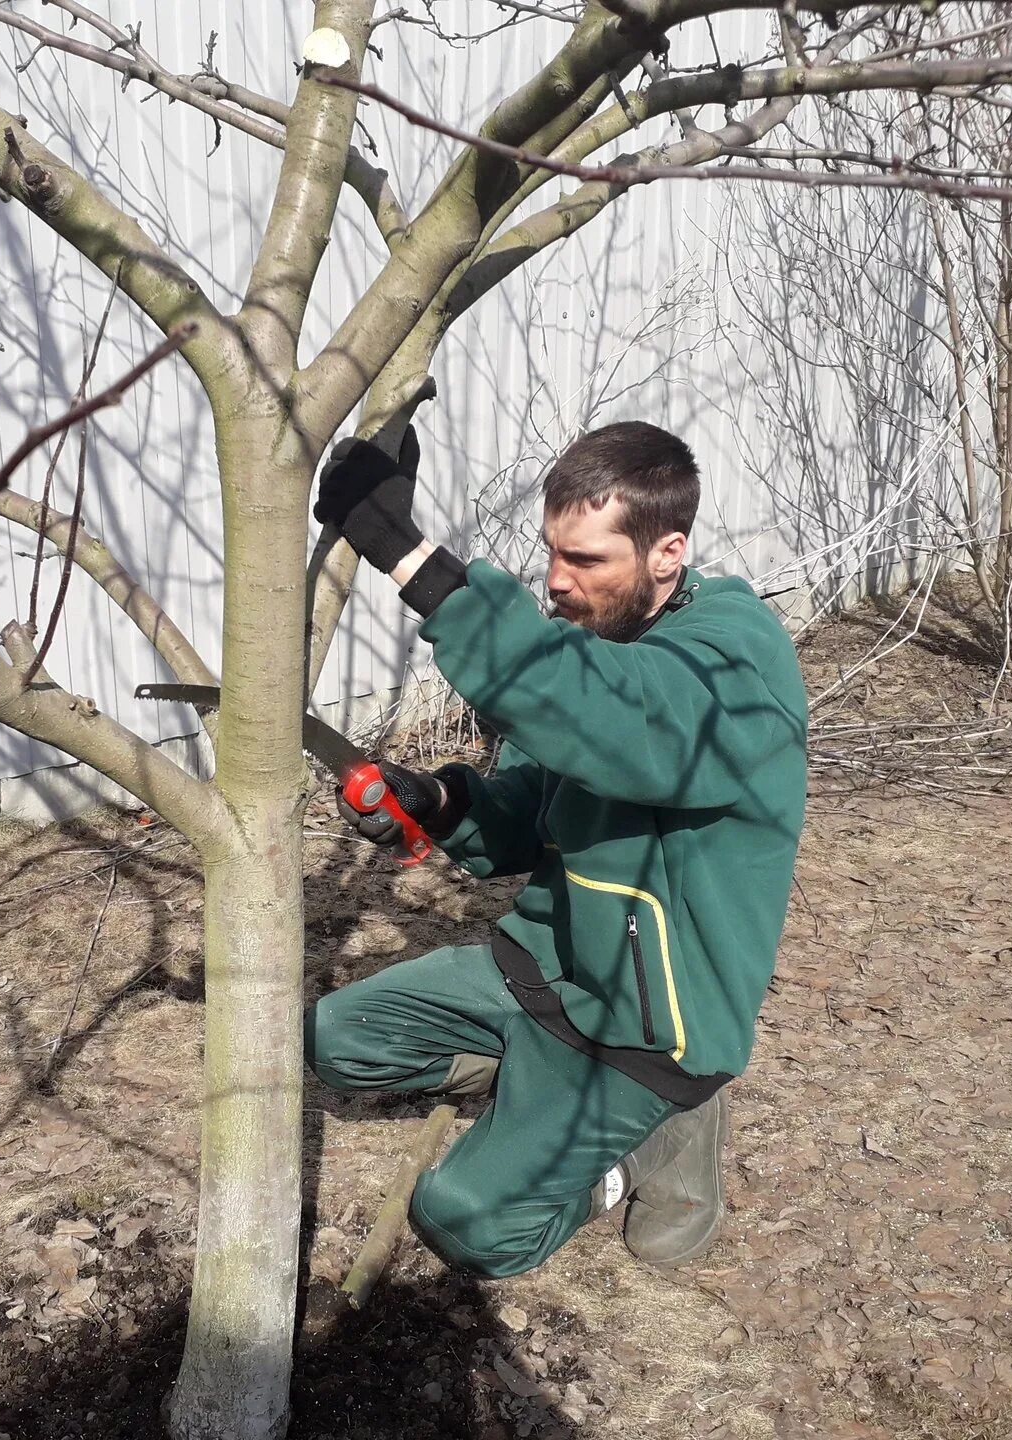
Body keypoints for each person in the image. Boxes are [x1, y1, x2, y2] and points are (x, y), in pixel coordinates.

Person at [304, 420, 809, 1277]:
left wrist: (403, 554)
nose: (556, 582)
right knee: (335, 1039)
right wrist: (442, 800)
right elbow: (534, 807)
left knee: (464, 1223)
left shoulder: (735, 663)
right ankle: (557, 1105)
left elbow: (612, 717)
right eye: (551, 554)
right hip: (545, 968)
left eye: (586, 561)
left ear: (668, 551)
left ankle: (640, 1143)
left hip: (649, 1018)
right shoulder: (602, 646)